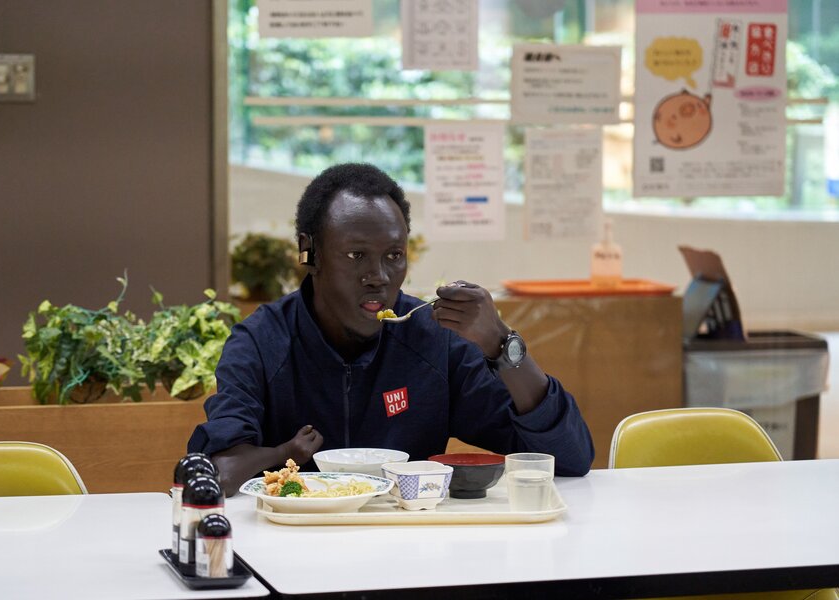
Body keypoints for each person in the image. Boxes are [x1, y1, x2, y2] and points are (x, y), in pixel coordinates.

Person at [188, 163, 594, 495]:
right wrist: (283, 453)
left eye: (394, 256)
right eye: (356, 255)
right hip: (291, 552)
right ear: (309, 252)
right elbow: (218, 469)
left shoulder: (433, 340)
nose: (379, 276)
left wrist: (501, 345)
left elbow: (569, 459)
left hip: (411, 550)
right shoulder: (262, 342)